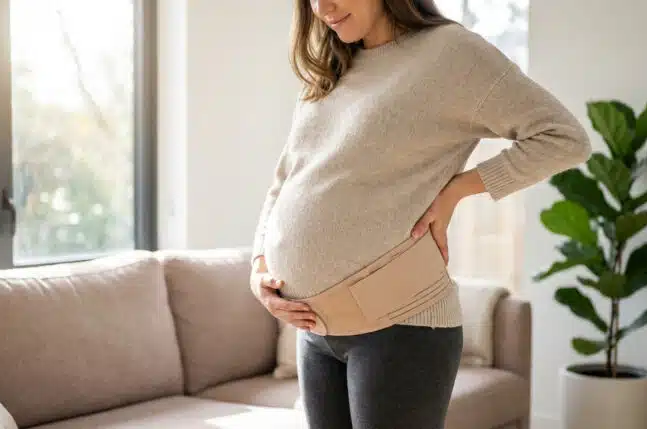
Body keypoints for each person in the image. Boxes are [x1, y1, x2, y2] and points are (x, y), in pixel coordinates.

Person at [249, 1, 591, 428]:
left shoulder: (451, 54)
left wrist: (458, 189)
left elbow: (564, 138)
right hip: (316, 334)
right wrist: (259, 266)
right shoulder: (333, 66)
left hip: (399, 330)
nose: (322, 8)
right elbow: (284, 180)